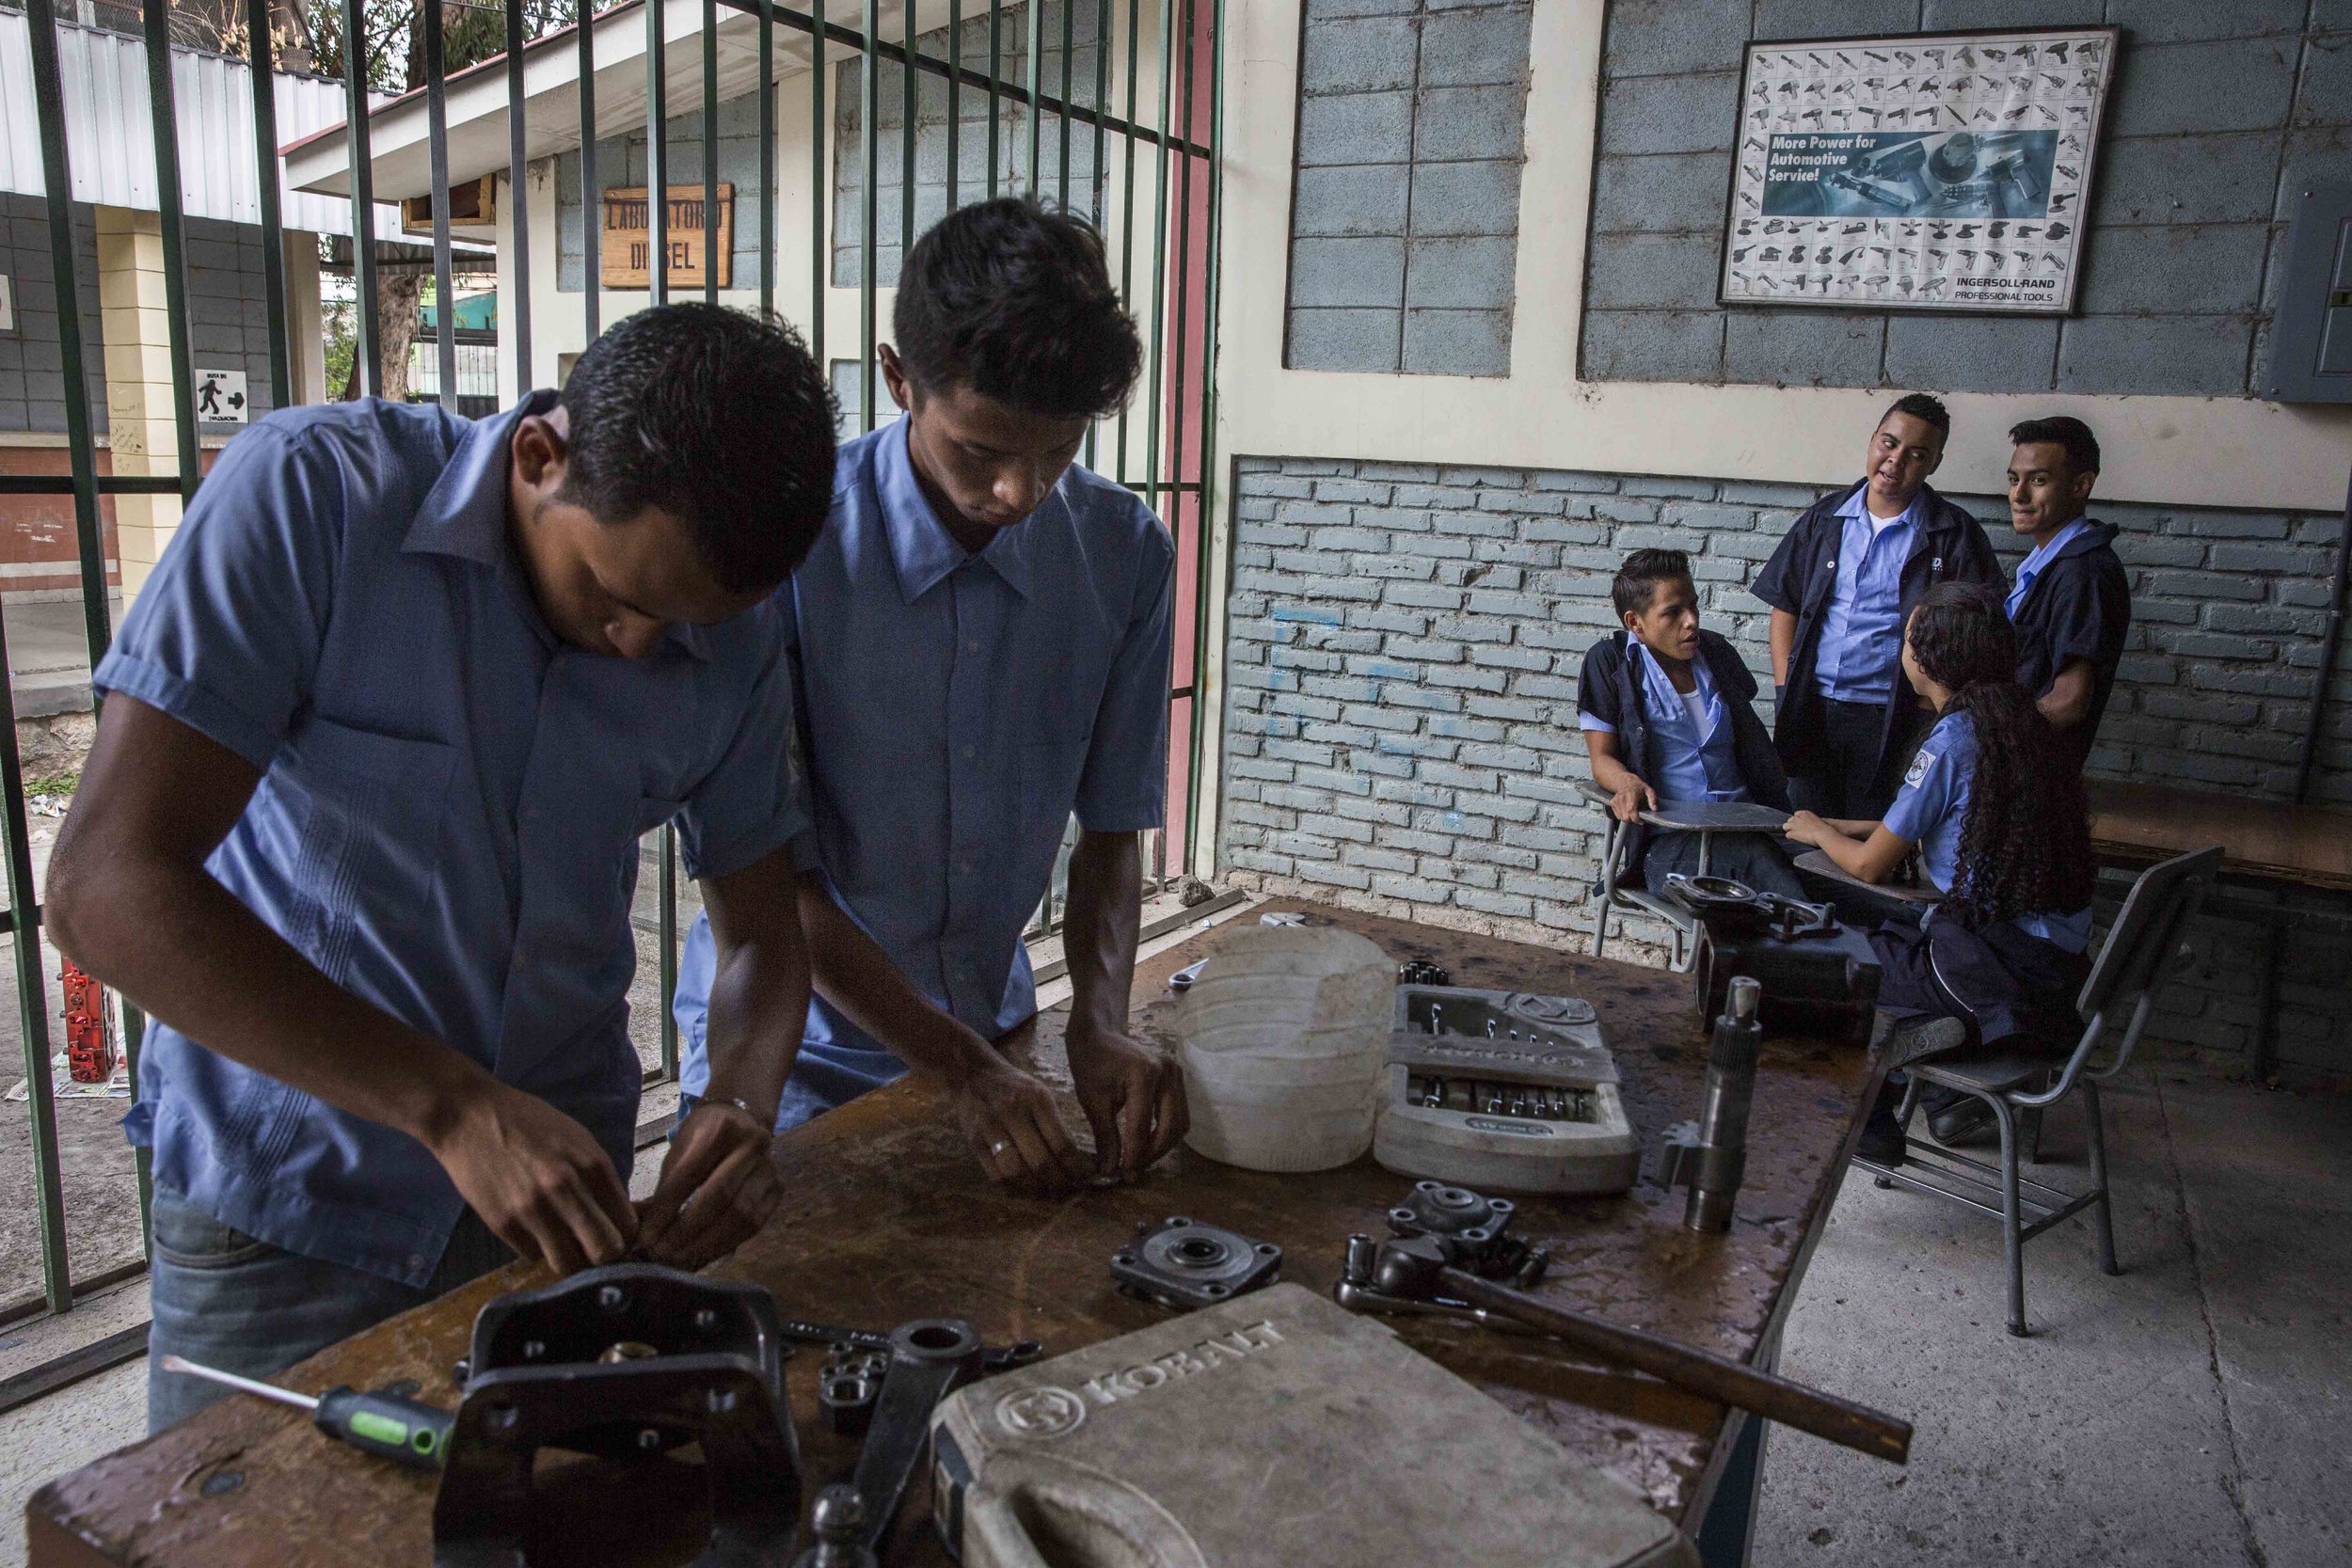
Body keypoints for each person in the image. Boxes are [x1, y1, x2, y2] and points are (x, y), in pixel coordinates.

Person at [46, 304, 838, 1430]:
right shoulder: (314, 495)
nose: (643, 648)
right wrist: (454, 1107)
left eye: (683, 622)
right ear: (537, 457)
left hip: (561, 1213)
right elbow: (102, 888)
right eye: (616, 598)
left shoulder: (729, 629)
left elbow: (762, 935)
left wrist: (744, 1100)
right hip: (286, 1209)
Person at [672, 197, 1184, 1189]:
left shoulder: (1124, 555)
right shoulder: (793, 549)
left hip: (1000, 1040)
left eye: (1056, 451)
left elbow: (1112, 832)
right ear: (898, 378)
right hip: (788, 1059)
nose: (1019, 494)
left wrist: (1101, 1018)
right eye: (979, 452)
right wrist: (956, 1065)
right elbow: (772, 880)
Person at [1783, 584, 2097, 1164]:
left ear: (1927, 661)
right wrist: (1851, 824)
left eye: (1906, 639)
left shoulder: (1952, 740)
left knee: (1827, 967)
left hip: (1987, 973)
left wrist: (1821, 834)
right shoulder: (2021, 725)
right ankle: (1928, 1066)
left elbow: (1871, 865)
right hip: (2049, 973)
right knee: (1888, 937)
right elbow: (1943, 818)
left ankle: (1874, 1120)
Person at [1753, 393, 2002, 819]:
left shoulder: (1953, 533)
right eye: (1889, 443)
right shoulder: (1825, 519)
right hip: (1813, 710)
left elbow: (1974, 637)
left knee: (1873, 835)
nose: (1895, 461)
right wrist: (1783, 687)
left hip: (1896, 720)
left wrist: (1928, 711)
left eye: (1916, 454)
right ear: (1872, 441)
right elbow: (1786, 606)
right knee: (1803, 832)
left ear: (1934, 465)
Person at [1577, 548, 1804, 899]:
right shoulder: (1609, 664)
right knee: (1773, 878)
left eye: (1693, 606)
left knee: (1834, 875)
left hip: (1751, 826)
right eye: (1673, 613)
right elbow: (1601, 759)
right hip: (1672, 843)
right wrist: (1626, 782)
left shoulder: (1715, 653)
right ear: (1635, 622)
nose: (1691, 621)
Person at [2003, 417, 2130, 772]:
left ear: (2081, 485)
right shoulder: (2050, 562)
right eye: (2014, 479)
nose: (2019, 495)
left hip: (2035, 774)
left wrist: (1982, 733)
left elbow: (2069, 701)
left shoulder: (2081, 572)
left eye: (2038, 480)